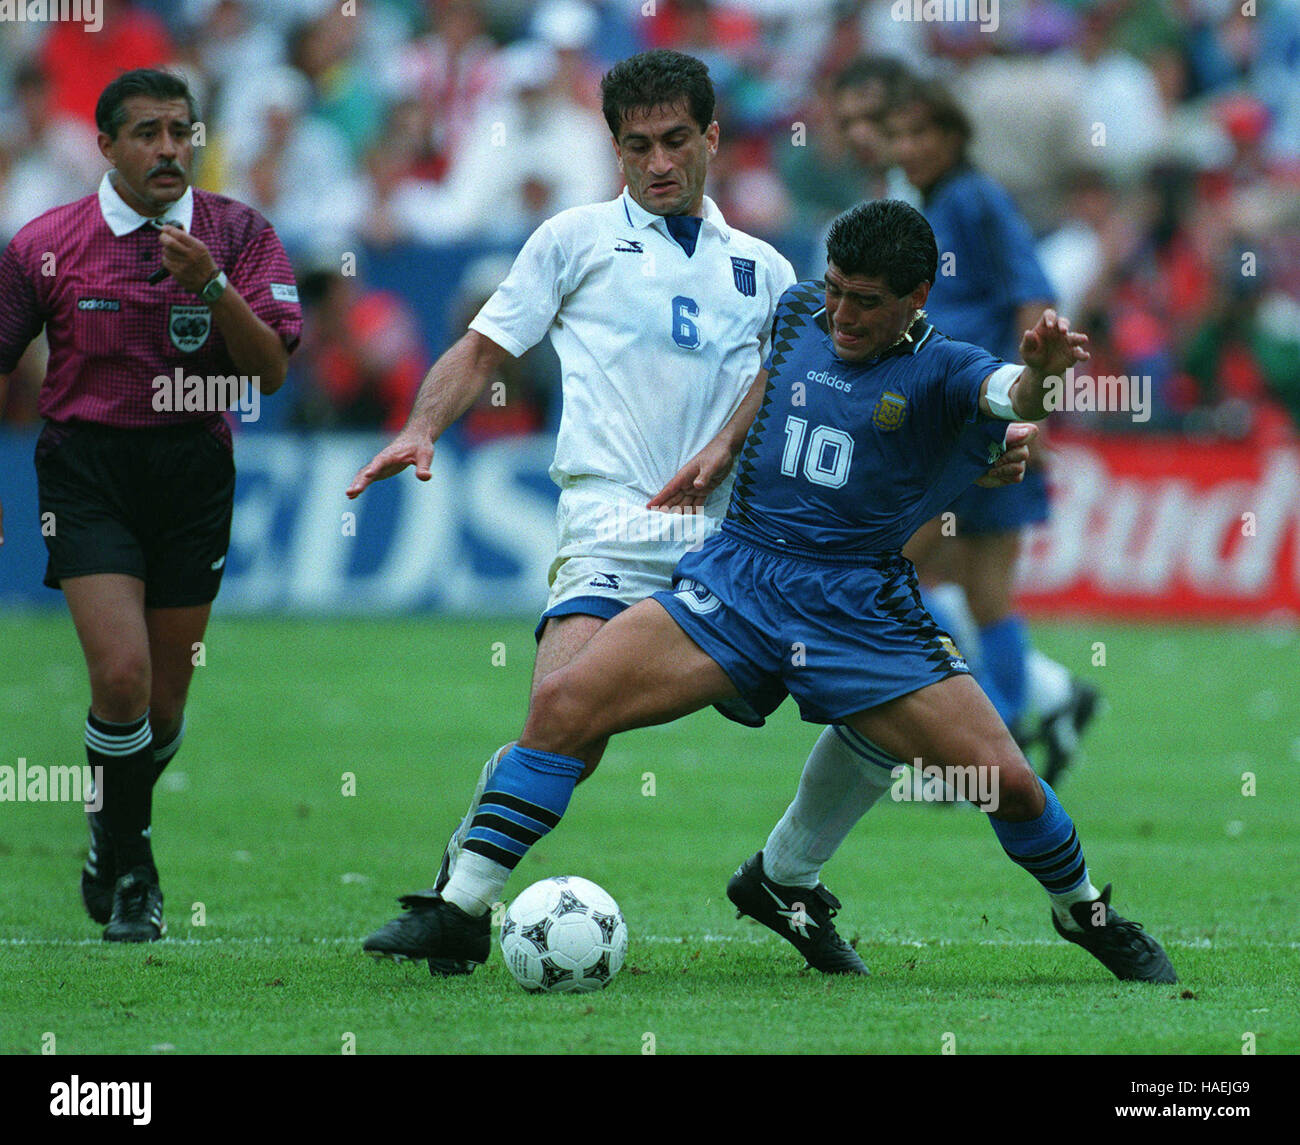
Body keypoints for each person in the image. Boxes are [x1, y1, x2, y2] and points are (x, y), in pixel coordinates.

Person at [367, 200, 1176, 987]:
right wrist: (723, 444)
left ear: (916, 298)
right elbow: (771, 376)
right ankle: (461, 905)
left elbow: (1011, 398)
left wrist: (1037, 375)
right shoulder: (798, 311)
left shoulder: (944, 366)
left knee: (1011, 783)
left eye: (866, 302)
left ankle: (1083, 914)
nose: (842, 313)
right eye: (835, 288)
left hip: (859, 608)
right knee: (565, 705)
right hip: (743, 575)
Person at [349, 50, 1034, 977]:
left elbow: (814, 395)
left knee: (879, 712)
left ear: (713, 136)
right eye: (637, 146)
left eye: (676, 140)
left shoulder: (765, 269)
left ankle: (788, 877)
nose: (658, 162)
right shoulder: (572, 238)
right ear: (615, 149)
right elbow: (481, 350)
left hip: (742, 547)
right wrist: (423, 426)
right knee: (563, 719)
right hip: (612, 529)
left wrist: (965, 461)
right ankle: (456, 901)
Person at [0, 69, 302, 942]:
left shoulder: (238, 235)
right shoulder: (47, 243)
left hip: (193, 474)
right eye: (146, 133)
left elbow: (270, 373)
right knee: (121, 676)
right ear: (105, 146)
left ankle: (107, 826)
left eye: (182, 131)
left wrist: (212, 286)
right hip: (87, 472)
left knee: (164, 708)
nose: (169, 148)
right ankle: (134, 869)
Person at [885, 78, 1099, 781]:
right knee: (985, 592)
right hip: (971, 410)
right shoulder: (940, 203)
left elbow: (1034, 295)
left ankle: (981, 734)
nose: (908, 148)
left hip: (981, 417)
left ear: (954, 139)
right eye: (899, 136)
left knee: (889, 564)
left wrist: (1027, 409)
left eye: (921, 134)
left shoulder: (974, 199)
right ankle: (1001, 734)